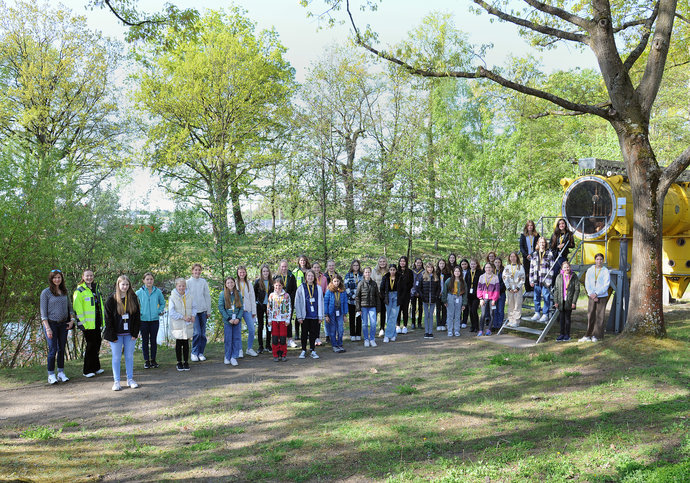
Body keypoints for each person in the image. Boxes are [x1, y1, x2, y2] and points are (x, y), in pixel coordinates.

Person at [104, 275, 141, 390]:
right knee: (116, 357)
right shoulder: (111, 300)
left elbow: (137, 317)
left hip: (129, 334)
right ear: (118, 285)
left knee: (129, 356)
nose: (125, 287)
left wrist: (135, 333)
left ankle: (130, 379)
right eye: (123, 284)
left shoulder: (133, 298)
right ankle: (117, 381)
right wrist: (112, 335)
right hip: (116, 335)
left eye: (127, 284)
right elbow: (108, 319)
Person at [40, 269, 75, 385]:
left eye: (59, 277)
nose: (57, 279)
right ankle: (51, 374)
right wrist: (48, 328)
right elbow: (43, 313)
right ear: (51, 279)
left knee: (61, 349)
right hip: (51, 324)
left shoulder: (64, 291)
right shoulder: (46, 293)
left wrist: (71, 321)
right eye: (55, 277)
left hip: (63, 324)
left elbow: (70, 308)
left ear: (61, 279)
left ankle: (61, 372)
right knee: (53, 349)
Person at [73, 269, 105, 377]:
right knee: (90, 346)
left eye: (91, 275)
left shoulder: (95, 289)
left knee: (97, 344)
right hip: (87, 324)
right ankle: (87, 370)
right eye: (87, 276)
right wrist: (83, 324)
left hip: (96, 322)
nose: (89, 278)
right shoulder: (80, 291)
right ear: (83, 277)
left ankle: (96, 367)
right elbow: (78, 309)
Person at [135, 272, 165, 369]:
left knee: (153, 341)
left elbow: (163, 303)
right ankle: (146, 361)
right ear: (143, 280)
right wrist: (139, 313)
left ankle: (153, 360)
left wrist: (158, 311)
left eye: (151, 279)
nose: (149, 281)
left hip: (154, 320)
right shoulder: (138, 293)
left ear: (153, 280)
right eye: (147, 279)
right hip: (143, 320)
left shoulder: (157, 292)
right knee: (145, 341)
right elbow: (134, 305)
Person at [295, 270, 325, 359]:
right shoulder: (301, 288)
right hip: (305, 316)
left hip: (315, 315)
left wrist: (320, 316)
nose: (310, 277)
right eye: (308, 276)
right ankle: (303, 350)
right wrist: (299, 316)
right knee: (304, 333)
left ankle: (312, 349)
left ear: (314, 277)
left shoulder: (318, 288)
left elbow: (321, 302)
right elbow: (297, 303)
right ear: (306, 277)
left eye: (312, 276)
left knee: (313, 333)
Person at [582, 253, 611, 342]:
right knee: (591, 315)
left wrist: (597, 294)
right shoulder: (590, 270)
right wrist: (591, 294)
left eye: (601, 259)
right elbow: (587, 283)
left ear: (603, 260)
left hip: (601, 296)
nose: (599, 261)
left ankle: (597, 335)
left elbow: (606, 285)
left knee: (600, 316)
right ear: (595, 260)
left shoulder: (605, 271)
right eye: (597, 259)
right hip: (591, 295)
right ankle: (588, 334)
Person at [169, 278, 195, 372]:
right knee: (179, 343)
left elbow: (194, 307)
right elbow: (171, 312)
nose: (181, 287)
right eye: (179, 286)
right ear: (176, 286)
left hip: (187, 323)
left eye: (183, 286)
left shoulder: (190, 296)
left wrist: (193, 315)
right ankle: (179, 362)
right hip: (178, 324)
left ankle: (186, 362)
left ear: (185, 286)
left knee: (186, 343)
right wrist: (182, 317)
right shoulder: (172, 297)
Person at [187, 263, 211, 362]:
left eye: (199, 270)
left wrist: (208, 311)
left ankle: (201, 352)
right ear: (192, 271)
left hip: (203, 311)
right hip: (194, 312)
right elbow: (186, 298)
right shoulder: (188, 282)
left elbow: (207, 296)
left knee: (203, 334)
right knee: (197, 333)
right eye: (195, 270)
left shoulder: (203, 282)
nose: (197, 272)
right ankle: (194, 352)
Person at [529, 237, 555, 323]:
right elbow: (531, 268)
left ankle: (545, 314)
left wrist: (549, 281)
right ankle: (537, 313)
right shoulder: (534, 254)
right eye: (540, 242)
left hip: (545, 279)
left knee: (546, 297)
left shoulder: (549, 253)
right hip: (536, 279)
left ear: (545, 244)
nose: (542, 244)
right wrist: (531, 280)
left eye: (543, 242)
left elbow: (551, 268)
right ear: (538, 243)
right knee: (536, 297)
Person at [219, 276, 243, 366]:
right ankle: (227, 356)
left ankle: (234, 356)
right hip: (228, 321)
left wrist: (238, 318)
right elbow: (221, 308)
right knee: (228, 339)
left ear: (234, 283)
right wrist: (228, 319)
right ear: (225, 284)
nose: (230, 284)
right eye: (228, 283)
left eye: (231, 282)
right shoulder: (222, 294)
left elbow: (241, 307)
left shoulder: (238, 294)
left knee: (236, 339)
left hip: (236, 320)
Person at [553, 260, 580, 341]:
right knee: (561, 318)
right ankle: (561, 334)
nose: (566, 269)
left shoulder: (574, 276)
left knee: (567, 318)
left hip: (569, 300)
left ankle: (567, 335)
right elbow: (556, 290)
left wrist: (574, 302)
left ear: (570, 267)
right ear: (562, 268)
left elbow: (577, 290)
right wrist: (556, 301)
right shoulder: (559, 277)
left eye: (568, 267)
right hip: (561, 300)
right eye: (565, 267)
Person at [268, 276, 292, 361]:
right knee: (274, 338)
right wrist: (269, 320)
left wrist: (288, 319)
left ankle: (283, 354)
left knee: (282, 338)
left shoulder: (286, 296)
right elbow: (269, 308)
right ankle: (275, 354)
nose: (278, 287)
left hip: (283, 320)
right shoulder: (271, 296)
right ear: (274, 286)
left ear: (282, 286)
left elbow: (289, 308)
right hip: (274, 320)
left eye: (279, 285)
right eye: (276, 286)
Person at [236, 266, 258, 358]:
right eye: (240, 272)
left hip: (248, 309)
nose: (242, 274)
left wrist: (254, 311)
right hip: (238, 309)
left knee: (252, 329)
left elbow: (253, 298)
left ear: (246, 273)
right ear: (237, 273)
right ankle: (239, 349)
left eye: (243, 272)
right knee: (238, 330)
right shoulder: (235, 283)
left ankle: (249, 348)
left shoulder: (248, 283)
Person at [276, 260, 298, 348]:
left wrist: (289, 297)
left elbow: (294, 289)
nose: (284, 268)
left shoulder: (291, 276)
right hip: (278, 302)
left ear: (287, 267)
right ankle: (281, 339)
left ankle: (290, 339)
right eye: (282, 267)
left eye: (285, 266)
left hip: (288, 302)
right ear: (280, 267)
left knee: (288, 320)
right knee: (279, 320)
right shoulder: (276, 277)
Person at [356, 267, 379, 347]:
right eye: (366, 272)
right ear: (363, 273)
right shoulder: (360, 283)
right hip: (363, 307)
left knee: (373, 323)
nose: (367, 274)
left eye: (369, 272)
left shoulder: (374, 284)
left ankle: (372, 339)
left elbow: (377, 296)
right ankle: (366, 339)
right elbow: (357, 297)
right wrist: (358, 309)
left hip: (372, 306)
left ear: (371, 273)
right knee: (365, 324)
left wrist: (378, 308)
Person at [324, 274, 348, 352]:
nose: (336, 283)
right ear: (332, 282)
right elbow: (325, 303)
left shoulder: (343, 291)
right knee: (333, 329)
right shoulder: (329, 291)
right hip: (331, 313)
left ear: (340, 281)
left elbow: (345, 303)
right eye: (335, 281)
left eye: (338, 281)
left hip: (340, 312)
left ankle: (340, 344)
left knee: (340, 329)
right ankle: (334, 345)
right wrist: (326, 315)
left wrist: (345, 314)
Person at [442, 265, 467, 337]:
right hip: (450, 297)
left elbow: (465, 293)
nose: (457, 272)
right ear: (453, 272)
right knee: (450, 315)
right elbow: (444, 291)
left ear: (460, 272)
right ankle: (450, 330)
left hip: (459, 298)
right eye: (455, 271)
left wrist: (464, 304)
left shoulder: (463, 281)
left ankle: (456, 330)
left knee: (457, 315)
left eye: (458, 271)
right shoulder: (449, 280)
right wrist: (444, 301)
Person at [253, 264, 273, 354]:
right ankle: (260, 346)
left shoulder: (272, 282)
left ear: (269, 272)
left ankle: (268, 345)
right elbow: (254, 295)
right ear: (261, 272)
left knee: (269, 325)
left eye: (267, 271)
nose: (265, 273)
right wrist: (256, 304)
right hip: (260, 306)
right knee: (260, 326)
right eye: (264, 271)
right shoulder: (258, 282)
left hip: (270, 306)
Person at [477, 263, 500, 336]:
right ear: (484, 268)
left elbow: (497, 289)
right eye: (486, 267)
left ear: (492, 268)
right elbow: (479, 288)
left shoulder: (495, 277)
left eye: (489, 267)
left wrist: (494, 299)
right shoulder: (481, 277)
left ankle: (489, 329)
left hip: (492, 299)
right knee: (483, 314)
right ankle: (480, 330)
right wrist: (480, 298)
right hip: (484, 298)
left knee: (491, 314)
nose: (488, 269)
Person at [503, 252, 525, 328]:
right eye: (511, 256)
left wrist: (518, 287)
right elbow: (504, 278)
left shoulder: (520, 267)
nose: (512, 258)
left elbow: (523, 278)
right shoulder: (507, 267)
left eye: (514, 256)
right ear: (509, 258)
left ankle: (516, 321)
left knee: (517, 304)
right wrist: (508, 287)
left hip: (517, 287)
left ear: (517, 258)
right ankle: (510, 320)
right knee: (510, 304)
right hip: (509, 288)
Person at [421, 262, 441, 339]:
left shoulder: (436, 277)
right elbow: (420, 288)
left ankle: (430, 332)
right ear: (426, 268)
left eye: (431, 267)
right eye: (428, 267)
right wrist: (422, 296)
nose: (430, 269)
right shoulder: (423, 276)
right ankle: (426, 332)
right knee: (426, 315)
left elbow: (438, 288)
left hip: (433, 299)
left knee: (431, 316)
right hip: (425, 299)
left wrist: (436, 296)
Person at [380, 264, 400, 343]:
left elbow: (403, 288)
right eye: (391, 270)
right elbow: (381, 288)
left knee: (394, 315)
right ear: (389, 270)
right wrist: (384, 297)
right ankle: (393, 334)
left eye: (393, 270)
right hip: (388, 297)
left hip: (396, 296)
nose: (392, 271)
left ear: (396, 270)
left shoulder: (400, 277)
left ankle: (387, 335)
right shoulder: (385, 277)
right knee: (389, 316)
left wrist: (400, 297)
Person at [293, 255, 311, 341]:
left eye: (304, 260)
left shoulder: (309, 270)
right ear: (298, 262)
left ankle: (306, 332)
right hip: (299, 294)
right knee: (298, 314)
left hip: (308, 294)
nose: (302, 262)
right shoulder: (295, 271)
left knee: (307, 314)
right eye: (301, 260)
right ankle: (297, 333)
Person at [519, 220, 540, 292]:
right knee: (527, 272)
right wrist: (526, 255)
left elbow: (538, 246)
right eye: (528, 225)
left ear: (533, 226)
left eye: (531, 225)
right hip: (526, 257)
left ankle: (534, 288)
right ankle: (528, 288)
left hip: (535, 257)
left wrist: (532, 254)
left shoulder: (537, 235)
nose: (530, 227)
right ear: (526, 227)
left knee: (535, 272)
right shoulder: (523, 236)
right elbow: (521, 247)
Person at [311, 261, 328, 346]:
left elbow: (326, 290)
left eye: (318, 267)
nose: (316, 269)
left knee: (319, 319)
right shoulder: (310, 277)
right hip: (311, 301)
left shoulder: (324, 278)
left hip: (320, 301)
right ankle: (312, 337)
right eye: (315, 267)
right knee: (312, 319)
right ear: (312, 268)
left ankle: (317, 337)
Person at [464, 259, 483, 332]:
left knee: (474, 310)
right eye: (471, 264)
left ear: (477, 264)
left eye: (474, 264)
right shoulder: (468, 272)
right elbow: (465, 282)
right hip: (469, 294)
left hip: (476, 294)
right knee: (470, 310)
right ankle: (472, 326)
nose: (473, 265)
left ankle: (476, 326)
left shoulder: (480, 272)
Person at [396, 256, 413, 333]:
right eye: (401, 261)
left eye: (404, 261)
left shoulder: (409, 272)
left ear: (406, 262)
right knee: (398, 310)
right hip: (398, 294)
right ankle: (398, 326)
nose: (402, 263)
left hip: (406, 294)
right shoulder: (396, 271)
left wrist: (406, 288)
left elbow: (411, 283)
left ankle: (405, 326)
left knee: (405, 310)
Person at [372, 256, 388, 337]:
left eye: (384, 261)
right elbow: (372, 282)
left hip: (385, 295)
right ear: (378, 262)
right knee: (375, 312)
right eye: (381, 261)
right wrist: (376, 293)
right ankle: (373, 329)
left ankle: (382, 328)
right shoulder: (374, 271)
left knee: (383, 312)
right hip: (376, 294)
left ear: (386, 262)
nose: (382, 263)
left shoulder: (389, 271)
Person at [436, 259, 451, 331]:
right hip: (438, 294)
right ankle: (438, 324)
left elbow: (449, 285)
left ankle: (443, 323)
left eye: (443, 263)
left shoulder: (448, 273)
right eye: (440, 263)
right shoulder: (436, 273)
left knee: (444, 309)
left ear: (445, 264)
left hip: (445, 294)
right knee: (438, 309)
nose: (441, 265)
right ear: (438, 264)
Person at [410, 257, 425, 330]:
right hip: (413, 292)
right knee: (413, 308)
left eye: (420, 262)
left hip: (421, 292)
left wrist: (420, 292)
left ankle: (419, 323)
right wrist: (414, 292)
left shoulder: (424, 272)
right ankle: (413, 323)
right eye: (417, 262)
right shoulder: (412, 271)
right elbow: (410, 283)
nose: (418, 264)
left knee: (420, 308)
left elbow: (424, 283)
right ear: (415, 263)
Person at [492, 257, 506, 331]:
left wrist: (498, 290)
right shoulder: (492, 271)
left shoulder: (504, 271)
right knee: (494, 309)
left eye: (499, 262)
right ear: (494, 263)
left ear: (501, 263)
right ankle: (495, 324)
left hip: (501, 293)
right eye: (496, 262)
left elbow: (504, 283)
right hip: (493, 294)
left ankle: (500, 325)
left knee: (500, 309)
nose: (497, 264)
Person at [459, 259, 471, 329]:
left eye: (465, 264)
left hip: (467, 291)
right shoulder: (458, 272)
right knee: (459, 306)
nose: (464, 265)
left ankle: (464, 321)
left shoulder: (469, 271)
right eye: (462, 264)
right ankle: (459, 320)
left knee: (466, 306)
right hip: (459, 291)